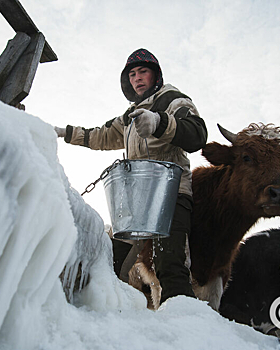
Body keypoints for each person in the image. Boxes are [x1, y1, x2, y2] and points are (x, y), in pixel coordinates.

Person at [54, 48, 207, 304]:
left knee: (170, 263)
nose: (137, 78)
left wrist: (159, 122)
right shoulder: (129, 116)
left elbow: (197, 134)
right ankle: (105, 315)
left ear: (155, 75)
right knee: (111, 258)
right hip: (136, 197)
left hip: (171, 194)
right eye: (132, 74)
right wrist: (64, 132)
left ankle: (183, 325)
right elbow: (100, 135)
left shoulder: (173, 99)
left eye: (143, 71)